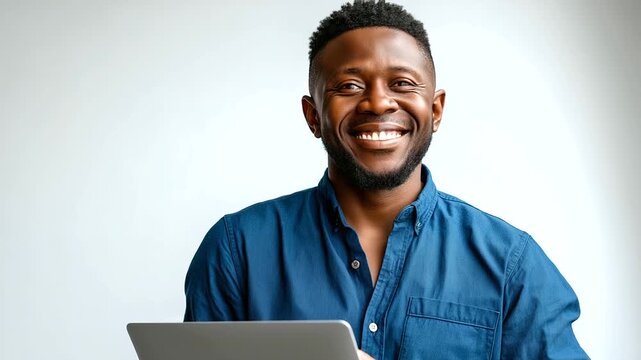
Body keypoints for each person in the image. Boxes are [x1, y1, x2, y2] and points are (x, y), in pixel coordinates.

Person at [184, 1, 589, 359]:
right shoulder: (236, 249)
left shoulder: (511, 263)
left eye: (403, 83)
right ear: (313, 117)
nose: (378, 102)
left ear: (436, 110)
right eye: (348, 86)